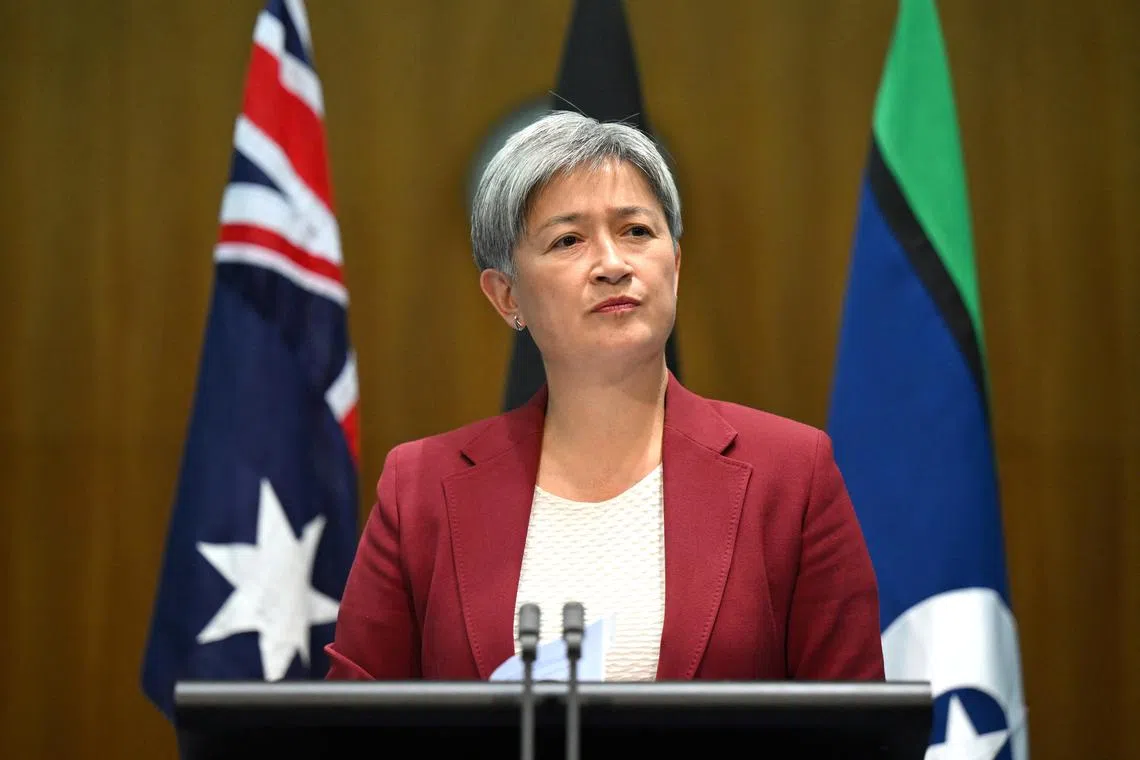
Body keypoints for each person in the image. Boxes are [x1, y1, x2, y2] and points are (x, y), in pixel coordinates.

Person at [325, 110, 884, 682]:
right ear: (507, 296)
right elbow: (355, 719)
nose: (613, 265)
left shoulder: (791, 474)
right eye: (568, 240)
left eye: (636, 231)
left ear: (675, 263)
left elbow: (854, 720)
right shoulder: (420, 489)